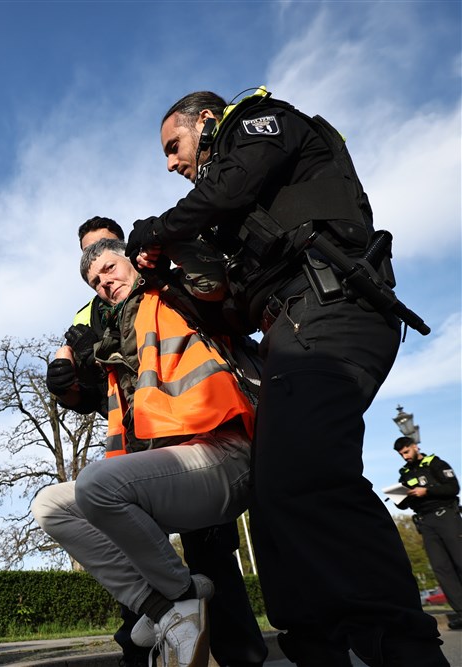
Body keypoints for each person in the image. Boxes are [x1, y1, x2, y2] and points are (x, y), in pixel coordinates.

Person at [127, 88, 446, 666]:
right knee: (273, 493)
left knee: (314, 473)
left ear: (206, 120)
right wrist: (172, 280)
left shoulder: (260, 124)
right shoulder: (234, 217)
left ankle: (403, 646)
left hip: (333, 312)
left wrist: (156, 231)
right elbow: (229, 304)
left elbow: (227, 189)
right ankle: (315, 644)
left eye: (173, 147)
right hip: (291, 329)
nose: (172, 163)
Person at [54, 219, 266, 667]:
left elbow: (212, 286)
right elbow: (94, 396)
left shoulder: (164, 289)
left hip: (213, 445)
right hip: (145, 457)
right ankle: (165, 611)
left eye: (108, 259)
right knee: (56, 505)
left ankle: (225, 640)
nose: (102, 276)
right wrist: (69, 383)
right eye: (92, 273)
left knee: (213, 561)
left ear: (129, 251)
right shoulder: (98, 327)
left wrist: (168, 241)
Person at [394, 436, 462, 630]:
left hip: (446, 516)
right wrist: (402, 497)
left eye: (406, 452)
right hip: (425, 522)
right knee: (441, 568)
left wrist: (427, 491)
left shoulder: (436, 464)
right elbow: (405, 503)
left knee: (460, 560)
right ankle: (460, 612)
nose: (404, 457)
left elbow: (453, 488)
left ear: (415, 446)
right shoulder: (405, 473)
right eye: (401, 454)